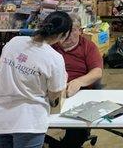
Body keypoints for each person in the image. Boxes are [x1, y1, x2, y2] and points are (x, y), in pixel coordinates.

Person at [0, 12, 72, 148]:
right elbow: (54, 94)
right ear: (64, 34)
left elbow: (2, 68)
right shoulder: (54, 58)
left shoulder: (14, 42)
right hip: (29, 122)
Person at [45, 14, 103, 148]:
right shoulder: (50, 46)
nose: (68, 37)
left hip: (78, 95)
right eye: (64, 33)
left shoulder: (88, 46)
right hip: (50, 92)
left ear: (80, 31)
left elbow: (97, 72)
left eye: (73, 31)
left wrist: (78, 82)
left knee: (76, 130)